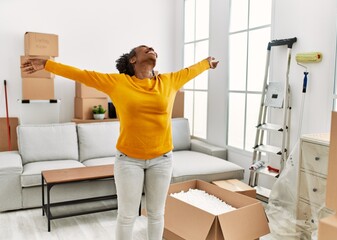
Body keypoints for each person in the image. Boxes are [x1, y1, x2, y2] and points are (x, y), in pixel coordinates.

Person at [21, 45, 219, 240]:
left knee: (157, 214)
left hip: (162, 159)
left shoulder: (169, 81)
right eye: (145, 48)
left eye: (153, 48)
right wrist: (47, 64)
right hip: (129, 161)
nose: (151, 48)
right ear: (133, 59)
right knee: (127, 215)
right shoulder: (118, 83)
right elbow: (82, 75)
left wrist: (207, 63)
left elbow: (190, 71)